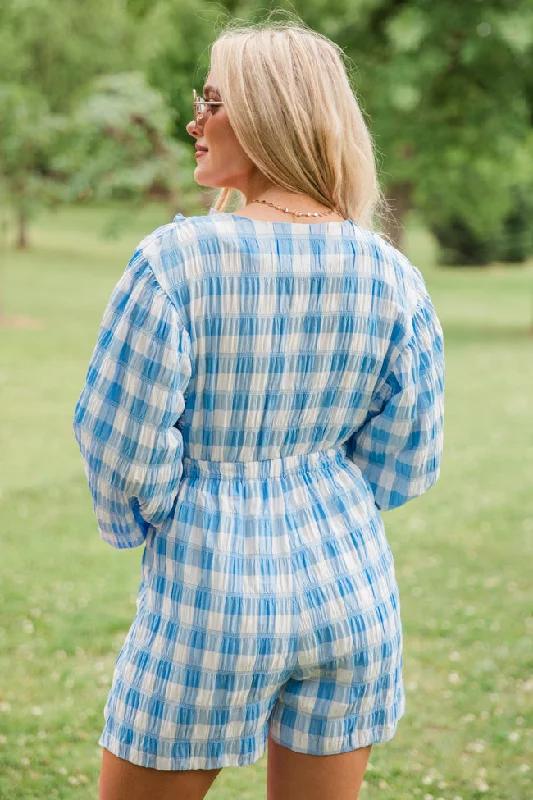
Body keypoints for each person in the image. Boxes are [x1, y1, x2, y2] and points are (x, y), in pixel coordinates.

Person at [73, 18, 445, 800]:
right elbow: (409, 450)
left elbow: (119, 443)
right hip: (351, 592)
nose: (193, 122)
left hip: (209, 590)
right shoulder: (389, 274)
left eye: (212, 100)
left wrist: (175, 509)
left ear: (271, 114)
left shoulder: (175, 261)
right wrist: (324, 491)